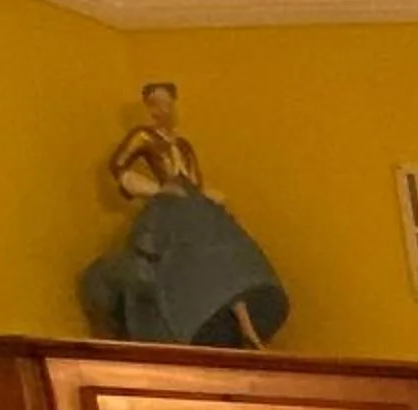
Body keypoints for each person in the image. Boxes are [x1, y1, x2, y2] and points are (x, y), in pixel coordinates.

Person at [80, 82, 289, 349]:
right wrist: (156, 190)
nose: (161, 109)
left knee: (224, 253)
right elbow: (119, 167)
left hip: (191, 206)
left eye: (166, 103)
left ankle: (244, 321)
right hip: (168, 209)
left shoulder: (183, 145)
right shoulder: (143, 137)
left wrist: (203, 195)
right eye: (155, 104)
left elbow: (193, 180)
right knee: (170, 260)